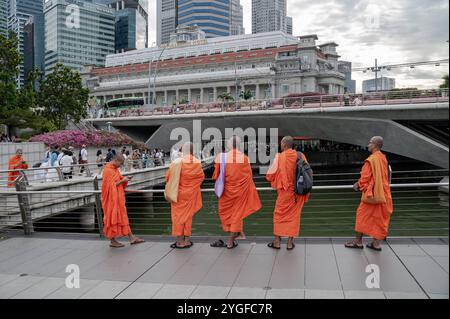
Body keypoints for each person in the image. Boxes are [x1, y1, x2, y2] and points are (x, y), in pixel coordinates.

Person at [211, 136, 261, 249]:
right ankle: (239, 234)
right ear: (239, 145)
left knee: (231, 215)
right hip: (240, 191)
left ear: (229, 145)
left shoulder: (221, 157)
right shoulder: (245, 158)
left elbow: (216, 175)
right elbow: (249, 176)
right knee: (237, 214)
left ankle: (230, 241)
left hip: (226, 192)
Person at [345, 136, 393, 251]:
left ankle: (358, 242)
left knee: (361, 216)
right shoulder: (383, 158)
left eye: (370, 143)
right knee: (379, 218)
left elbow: (365, 178)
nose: (368, 145)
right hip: (383, 194)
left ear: (375, 145)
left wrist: (357, 184)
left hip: (372, 195)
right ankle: (376, 244)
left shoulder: (371, 160)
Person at [266, 136, 310, 250]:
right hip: (298, 192)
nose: (280, 145)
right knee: (294, 217)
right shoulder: (300, 155)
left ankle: (277, 242)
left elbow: (269, 176)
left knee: (278, 215)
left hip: (285, 193)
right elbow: (308, 172)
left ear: (284, 145)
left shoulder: (279, 157)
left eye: (281, 143)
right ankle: (290, 243)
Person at [166, 142, 205, 249]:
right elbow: (201, 177)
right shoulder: (197, 162)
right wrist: (192, 186)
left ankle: (179, 241)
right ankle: (187, 241)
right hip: (191, 194)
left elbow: (168, 177)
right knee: (188, 218)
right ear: (192, 151)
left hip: (178, 194)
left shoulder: (176, 162)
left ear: (182, 151)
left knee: (177, 217)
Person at [101, 154, 145, 248]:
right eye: (120, 164)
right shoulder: (107, 170)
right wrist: (122, 181)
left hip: (118, 199)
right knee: (111, 219)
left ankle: (132, 238)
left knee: (123, 217)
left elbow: (118, 179)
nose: (120, 166)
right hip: (111, 201)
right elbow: (109, 187)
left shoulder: (115, 169)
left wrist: (125, 179)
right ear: (116, 160)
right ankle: (112, 241)